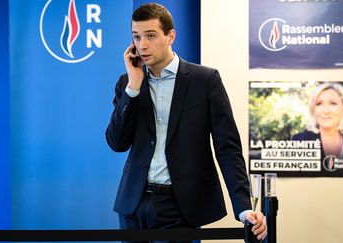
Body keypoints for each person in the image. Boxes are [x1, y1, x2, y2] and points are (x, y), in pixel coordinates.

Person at [105, 3, 267, 242]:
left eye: (150, 36)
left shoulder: (205, 80)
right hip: (133, 204)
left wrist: (243, 207)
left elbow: (228, 148)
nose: (142, 45)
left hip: (180, 205)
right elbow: (117, 142)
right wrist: (133, 87)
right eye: (136, 37)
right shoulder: (127, 82)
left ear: (171, 36)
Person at [292, 82, 343, 160]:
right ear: (313, 109)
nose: (326, 111)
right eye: (319, 104)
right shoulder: (299, 141)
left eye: (333, 103)